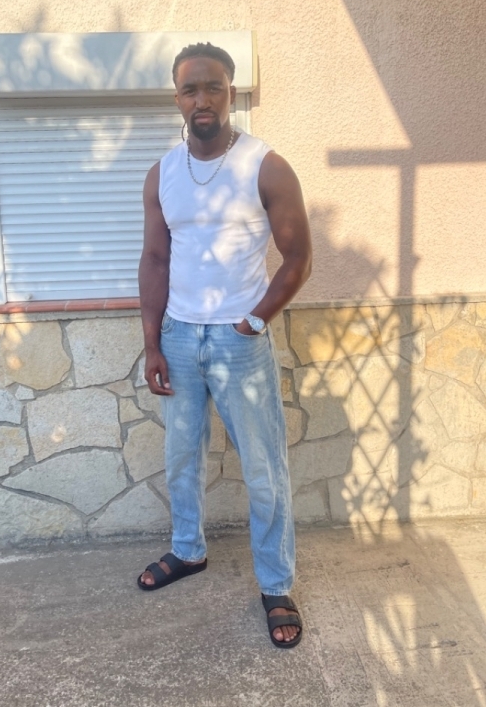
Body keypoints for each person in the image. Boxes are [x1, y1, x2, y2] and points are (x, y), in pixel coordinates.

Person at [137, 42, 312, 648]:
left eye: (213, 87)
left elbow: (298, 258)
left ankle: (276, 585)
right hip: (179, 336)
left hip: (240, 341)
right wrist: (153, 344)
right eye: (190, 89)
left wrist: (255, 322)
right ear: (178, 99)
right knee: (181, 458)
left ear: (230, 93)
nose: (202, 99)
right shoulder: (162, 173)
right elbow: (155, 259)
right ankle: (188, 550)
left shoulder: (265, 165)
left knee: (263, 469)